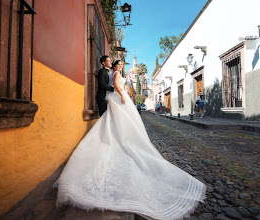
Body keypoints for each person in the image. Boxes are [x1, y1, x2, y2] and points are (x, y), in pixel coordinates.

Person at [54, 59, 206, 220]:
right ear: (113, 66)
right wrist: (122, 95)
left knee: (117, 121)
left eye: (120, 65)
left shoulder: (113, 72)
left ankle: (118, 138)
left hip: (117, 96)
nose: (119, 66)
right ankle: (119, 139)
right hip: (118, 96)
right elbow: (117, 86)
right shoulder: (115, 73)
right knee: (118, 121)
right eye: (117, 64)